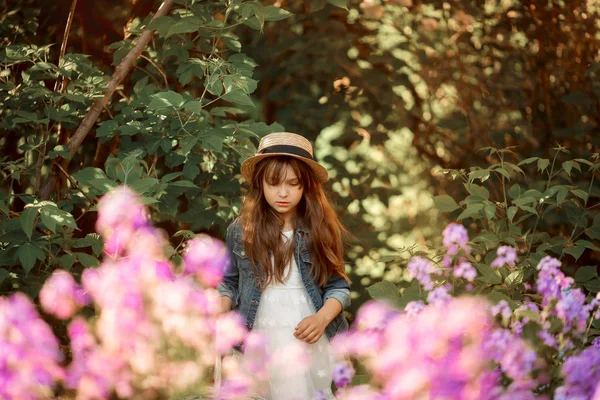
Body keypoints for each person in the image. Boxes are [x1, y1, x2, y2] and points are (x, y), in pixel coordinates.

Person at [217, 132, 351, 400]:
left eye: (293, 184)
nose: (283, 192)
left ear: (306, 187)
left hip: (305, 333)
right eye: (273, 183)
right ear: (260, 183)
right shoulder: (241, 230)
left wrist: (322, 318)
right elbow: (229, 282)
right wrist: (218, 313)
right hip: (258, 333)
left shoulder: (320, 229)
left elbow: (339, 287)